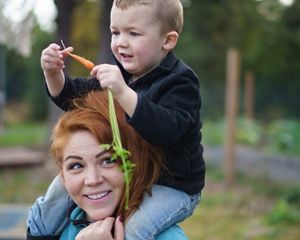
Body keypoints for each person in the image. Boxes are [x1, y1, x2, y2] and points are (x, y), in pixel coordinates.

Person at [37, 0, 205, 238]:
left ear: (167, 40)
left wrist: (123, 93)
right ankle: (38, 232)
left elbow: (165, 130)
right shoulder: (121, 73)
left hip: (172, 185)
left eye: (133, 33)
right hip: (132, 174)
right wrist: (53, 74)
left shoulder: (180, 82)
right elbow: (71, 97)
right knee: (57, 193)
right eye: (115, 32)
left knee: (134, 229)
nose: (121, 42)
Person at [27, 90, 189, 240]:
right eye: (76, 166)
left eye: (107, 161)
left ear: (134, 164)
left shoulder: (168, 237)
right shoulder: (54, 228)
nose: (92, 180)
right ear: (62, 176)